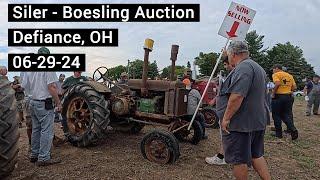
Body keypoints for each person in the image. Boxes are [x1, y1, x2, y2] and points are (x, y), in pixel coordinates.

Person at [217, 41, 271, 180]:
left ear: (233, 54)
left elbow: (237, 96)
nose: (228, 58)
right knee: (256, 154)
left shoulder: (243, 67)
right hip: (256, 120)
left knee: (238, 159)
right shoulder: (257, 67)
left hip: (241, 124)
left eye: (228, 55)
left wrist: (226, 118)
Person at [21, 47, 62, 166]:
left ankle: (34, 154)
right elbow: (52, 87)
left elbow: (25, 86)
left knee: (36, 129)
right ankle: (43, 157)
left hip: (33, 102)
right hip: (44, 103)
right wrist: (58, 103)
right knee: (46, 131)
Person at [205, 55, 233, 166]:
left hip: (227, 112)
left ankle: (222, 157)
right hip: (224, 111)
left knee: (226, 135)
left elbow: (232, 96)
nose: (225, 67)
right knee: (227, 135)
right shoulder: (231, 76)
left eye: (226, 64)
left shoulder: (234, 76)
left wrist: (226, 116)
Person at [271, 64, 298, 140]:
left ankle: (278, 134)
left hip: (279, 97)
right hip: (288, 97)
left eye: (273, 69)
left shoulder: (276, 74)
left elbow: (277, 83)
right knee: (285, 114)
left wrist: (273, 93)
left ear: (276, 68)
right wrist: (289, 91)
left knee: (276, 115)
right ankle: (293, 129)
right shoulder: (289, 75)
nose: (273, 71)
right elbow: (294, 87)